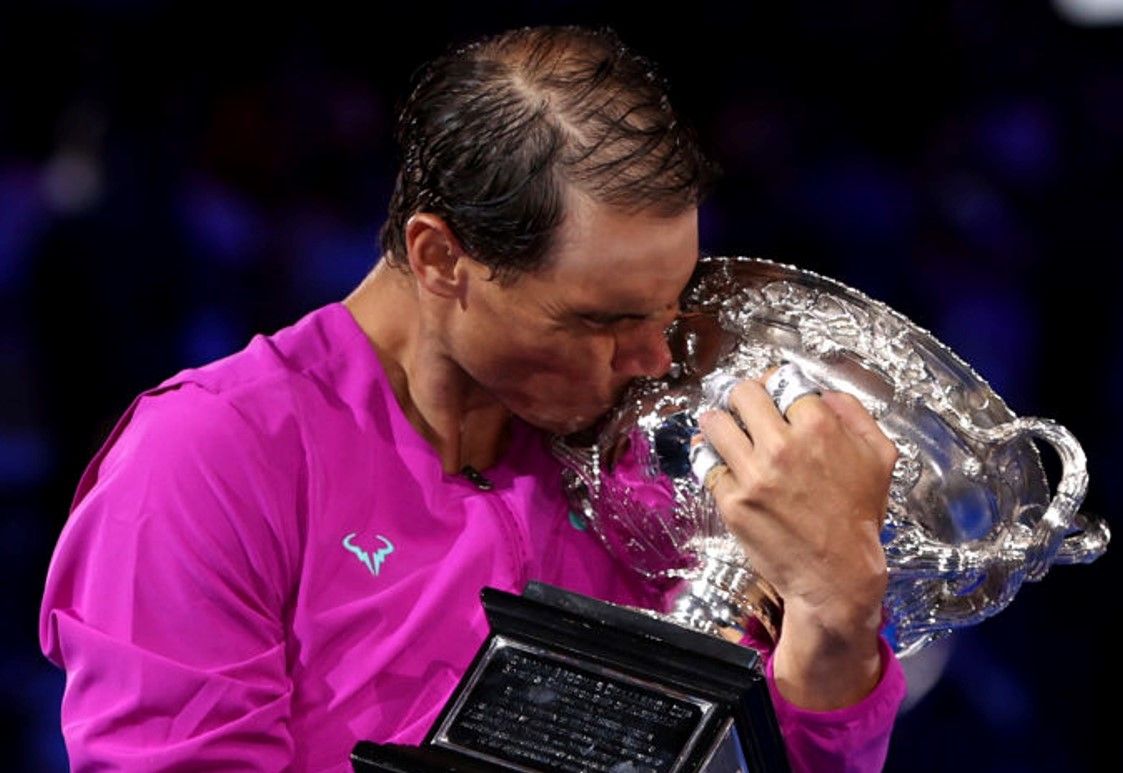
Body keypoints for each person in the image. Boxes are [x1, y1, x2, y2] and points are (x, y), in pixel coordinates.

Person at [39, 24, 906, 772]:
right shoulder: (207, 458)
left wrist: (835, 616)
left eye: (667, 313)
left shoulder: (644, 465)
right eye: (601, 321)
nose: (650, 361)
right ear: (440, 259)